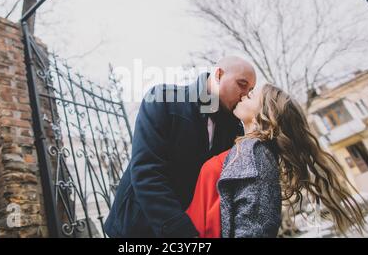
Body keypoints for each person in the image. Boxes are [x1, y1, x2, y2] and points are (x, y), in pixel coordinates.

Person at [186, 83, 367, 238]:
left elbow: (253, 229)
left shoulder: (256, 152)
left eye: (251, 94)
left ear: (265, 112)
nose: (244, 95)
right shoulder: (246, 149)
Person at [103, 56, 256, 237]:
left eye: (251, 90)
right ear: (219, 74)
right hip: (137, 229)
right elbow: (147, 173)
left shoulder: (233, 127)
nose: (245, 95)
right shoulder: (163, 100)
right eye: (242, 84)